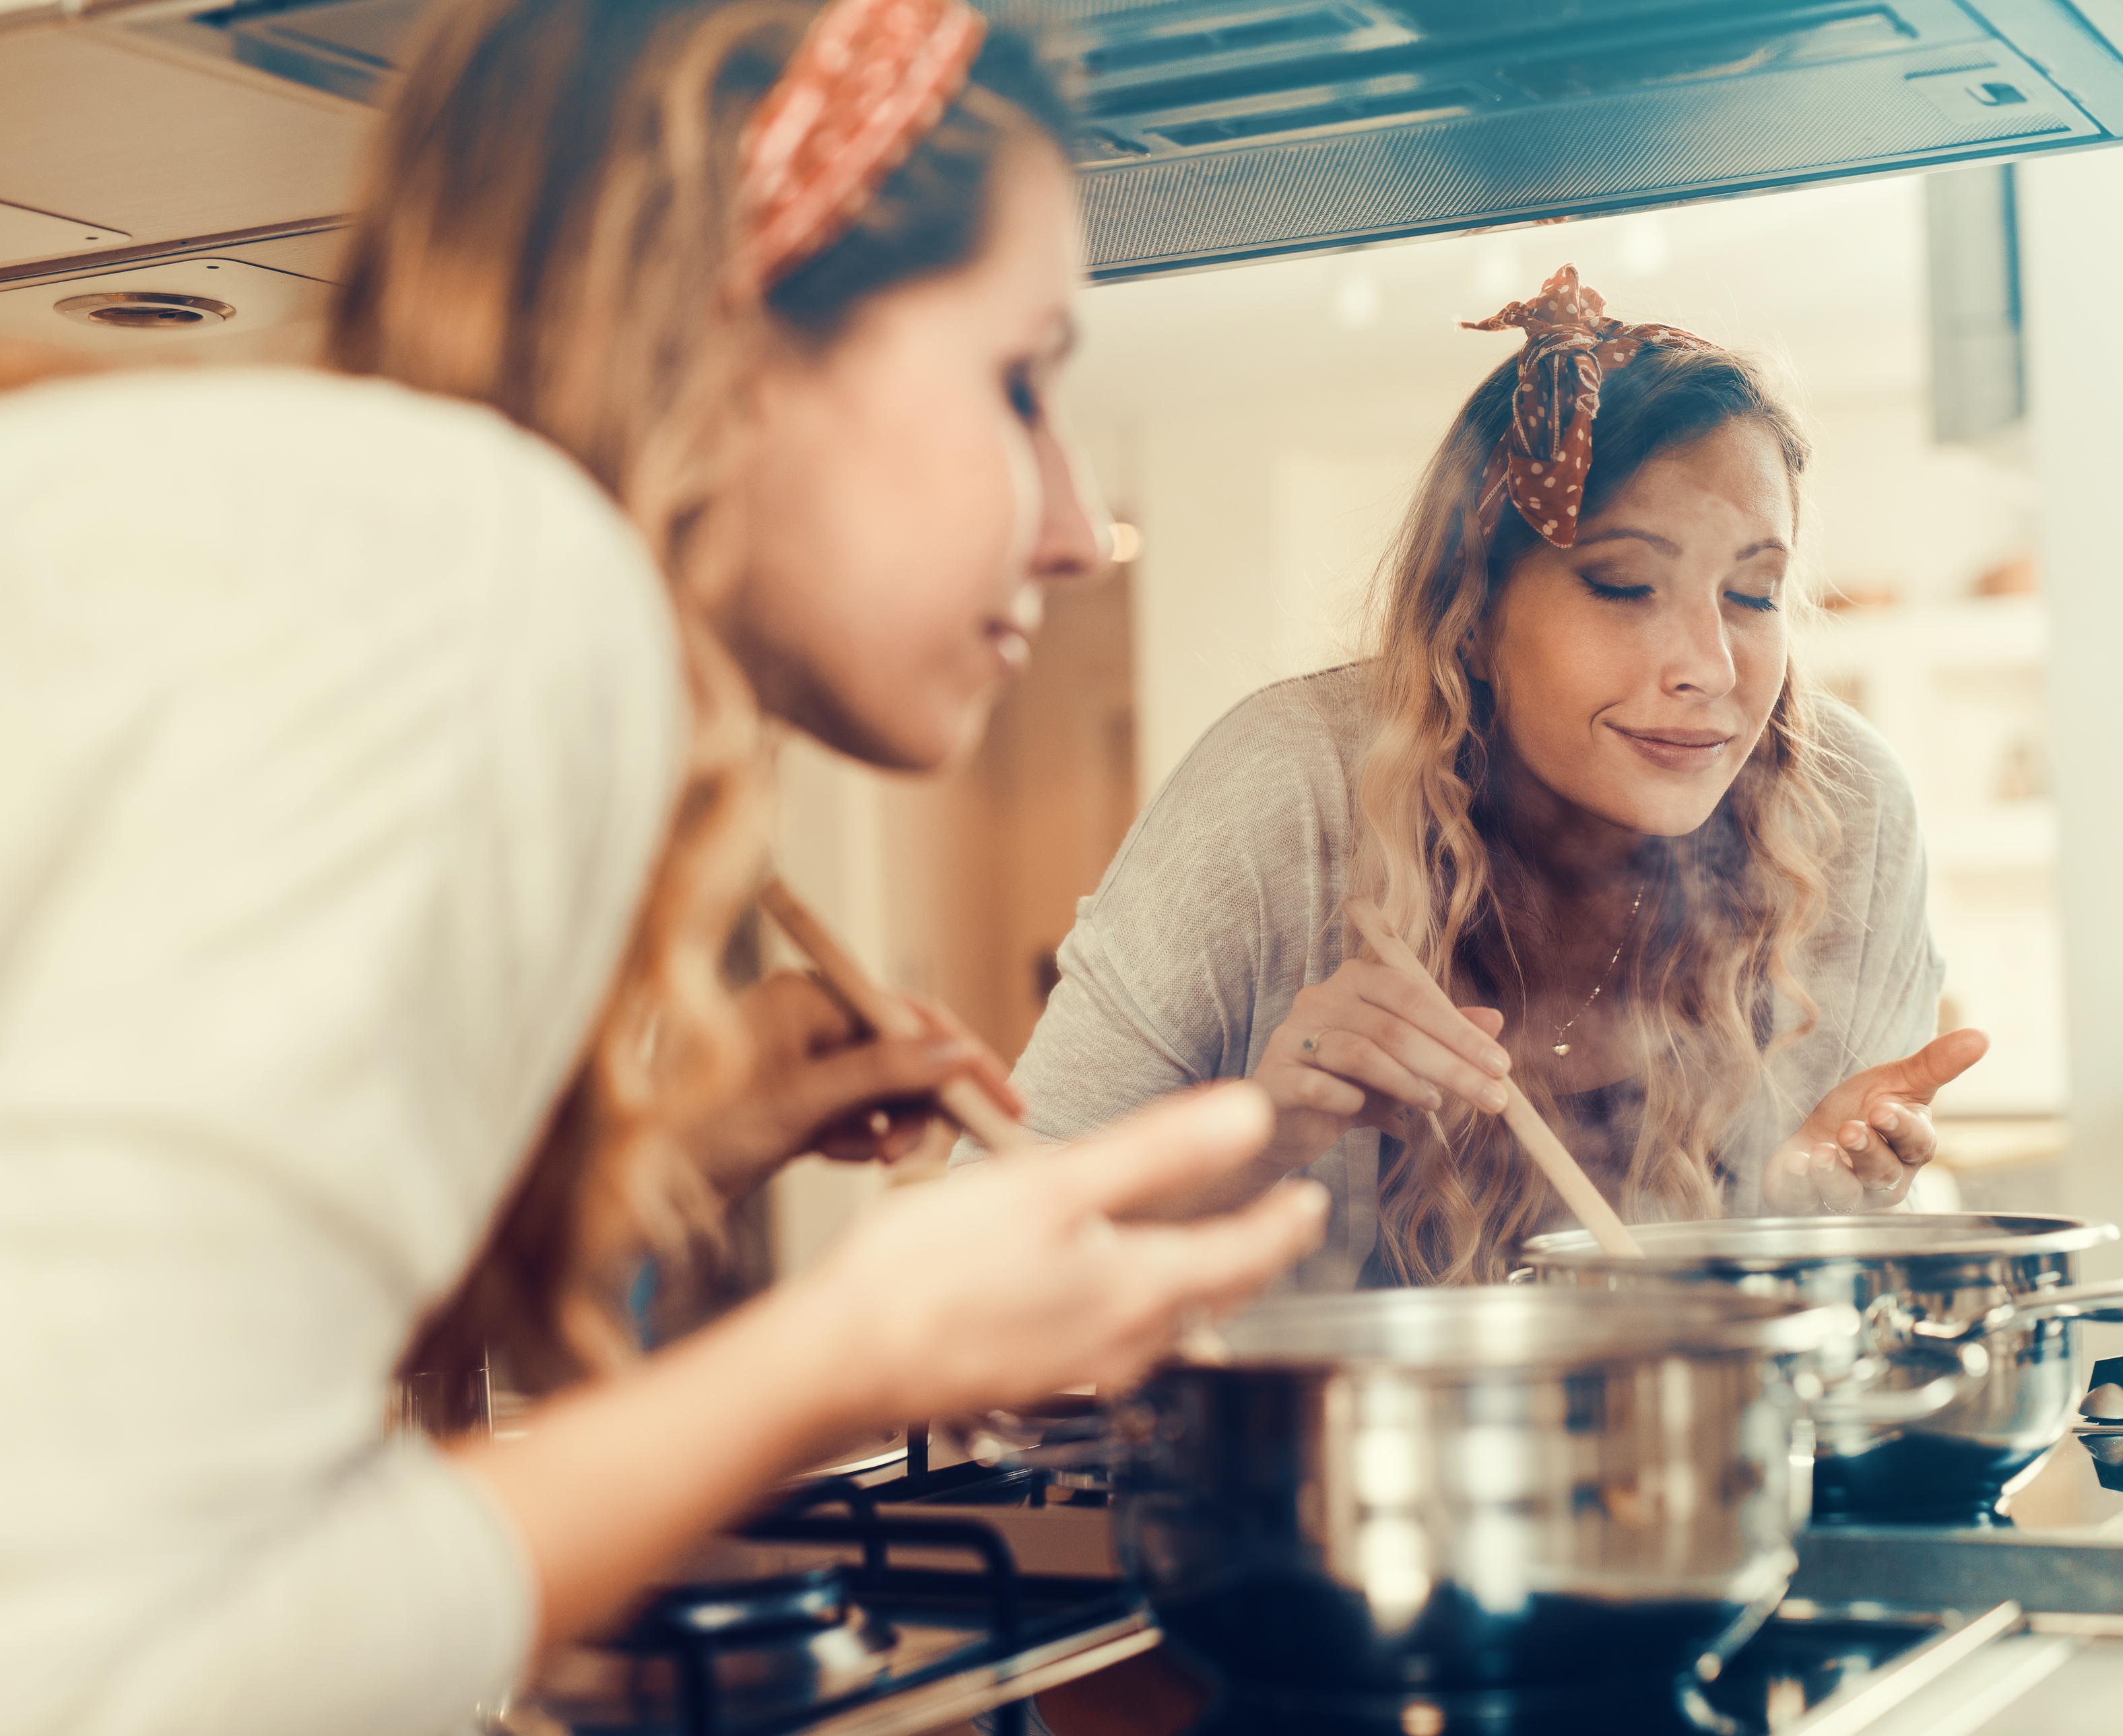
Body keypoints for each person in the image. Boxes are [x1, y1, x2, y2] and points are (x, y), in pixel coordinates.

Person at [0, 1, 1327, 1730]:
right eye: (1018, 380)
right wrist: (849, 1351)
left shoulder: (382, 545)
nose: (1074, 523)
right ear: (726, 311)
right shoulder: (486, 583)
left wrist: (667, 1154)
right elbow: (110, 1673)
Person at [975, 266, 1987, 1290]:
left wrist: (1805, 1223)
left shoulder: (1844, 813)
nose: (1712, 669)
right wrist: (1263, 1138)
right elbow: (995, 1237)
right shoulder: (1288, 792)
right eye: (1626, 585)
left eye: (1755, 594)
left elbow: (1810, 1338)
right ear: (1473, 609)